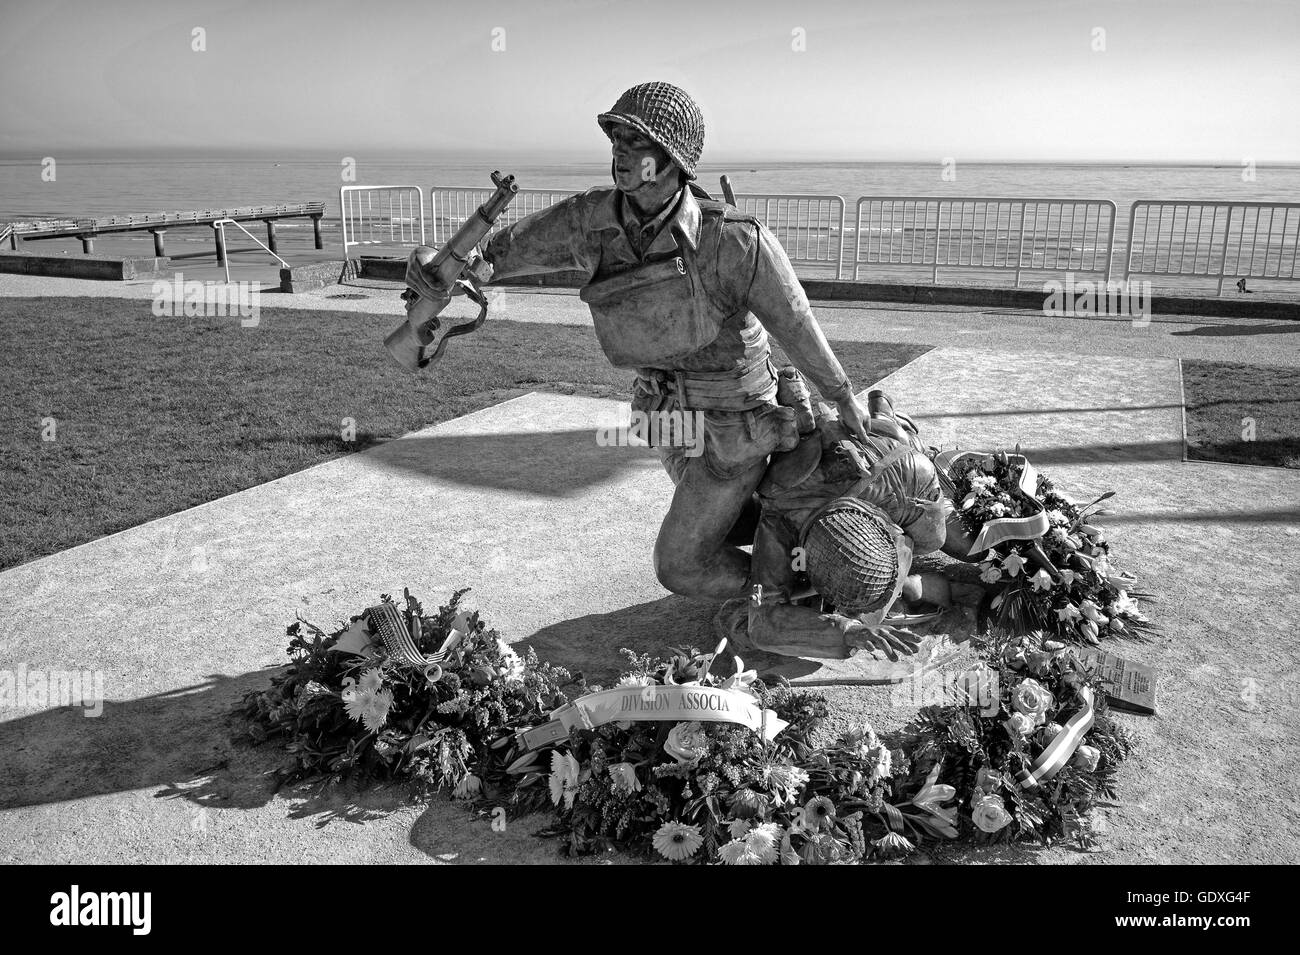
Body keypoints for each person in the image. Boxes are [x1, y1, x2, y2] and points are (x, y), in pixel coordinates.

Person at [404, 81, 875, 605]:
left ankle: (793, 599)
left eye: (637, 142)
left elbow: (796, 323)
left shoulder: (733, 240)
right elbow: (489, 257)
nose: (621, 154)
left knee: (681, 564)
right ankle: (797, 576)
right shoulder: (590, 221)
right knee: (732, 523)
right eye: (616, 140)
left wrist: (843, 396)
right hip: (664, 419)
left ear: (673, 157)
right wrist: (433, 264)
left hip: (734, 422)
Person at [715, 390, 986, 661]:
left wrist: (897, 570)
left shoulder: (912, 478)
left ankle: (886, 416)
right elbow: (763, 624)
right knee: (866, 611)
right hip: (818, 472)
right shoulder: (781, 519)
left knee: (970, 548)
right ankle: (881, 416)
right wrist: (847, 630)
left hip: (894, 463)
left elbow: (928, 541)